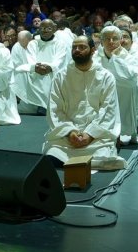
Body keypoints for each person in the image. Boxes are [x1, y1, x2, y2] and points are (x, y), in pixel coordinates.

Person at [43, 35, 124, 169]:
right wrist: (70, 132)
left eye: (82, 47)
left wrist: (90, 135)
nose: (77, 50)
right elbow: (54, 109)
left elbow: (108, 110)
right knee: (53, 154)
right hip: (67, 137)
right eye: (74, 47)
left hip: (96, 137)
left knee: (104, 155)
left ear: (93, 50)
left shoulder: (106, 76)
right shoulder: (61, 76)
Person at [94, 26, 138, 145]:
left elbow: (131, 78)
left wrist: (115, 58)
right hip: (102, 93)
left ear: (120, 40)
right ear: (102, 41)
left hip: (124, 92)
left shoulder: (128, 57)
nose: (111, 42)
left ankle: (124, 135)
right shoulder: (95, 57)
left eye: (115, 38)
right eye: (107, 39)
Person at [12, 19, 67, 115]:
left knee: (49, 77)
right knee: (18, 71)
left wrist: (48, 67)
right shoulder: (34, 43)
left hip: (52, 72)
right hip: (36, 70)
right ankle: (35, 104)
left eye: (48, 28)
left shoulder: (60, 44)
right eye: (42, 28)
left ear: (54, 29)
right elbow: (31, 59)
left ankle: (45, 105)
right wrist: (36, 67)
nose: (45, 31)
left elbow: (59, 60)